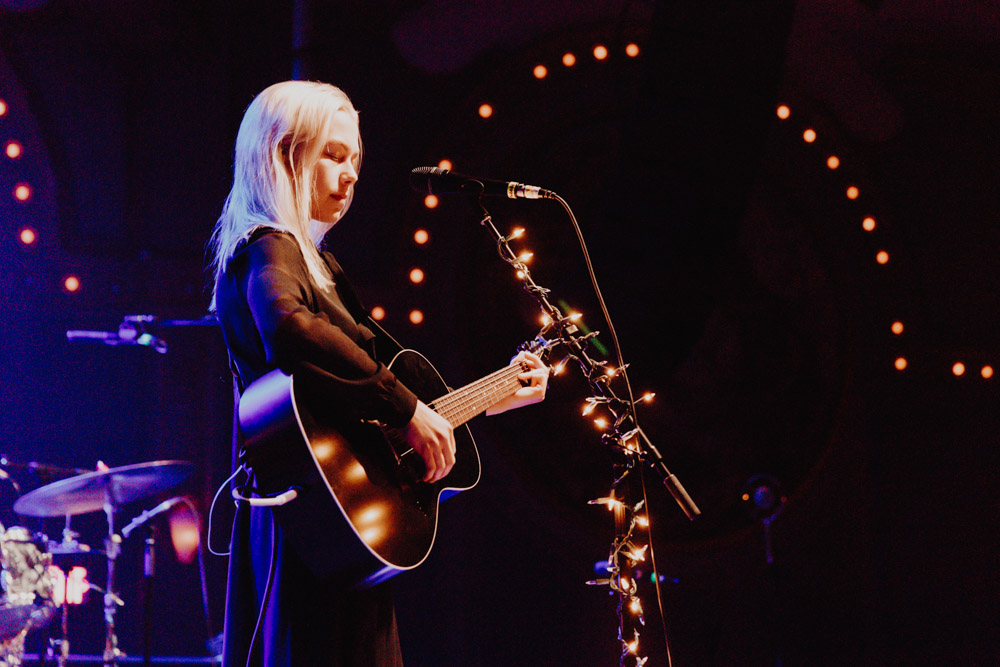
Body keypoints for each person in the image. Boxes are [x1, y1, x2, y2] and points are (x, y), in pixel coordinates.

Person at [207, 80, 548, 666]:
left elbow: (365, 397)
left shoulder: (323, 266)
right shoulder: (269, 248)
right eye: (333, 156)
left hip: (334, 525)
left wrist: (492, 397)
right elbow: (290, 329)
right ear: (283, 155)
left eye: (356, 163)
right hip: (304, 527)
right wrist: (410, 409)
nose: (350, 177)